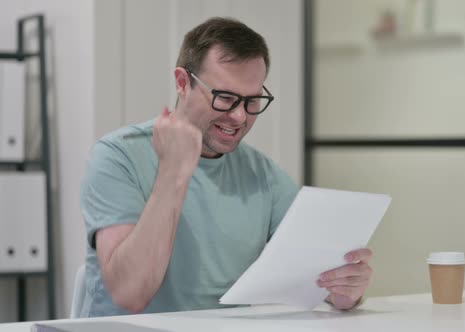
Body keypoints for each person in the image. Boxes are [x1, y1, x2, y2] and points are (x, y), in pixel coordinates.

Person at [80, 17, 373, 317]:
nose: (239, 117)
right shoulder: (117, 157)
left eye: (252, 101)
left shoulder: (264, 176)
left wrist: (343, 291)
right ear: (183, 82)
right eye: (225, 98)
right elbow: (130, 293)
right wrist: (173, 172)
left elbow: (315, 274)